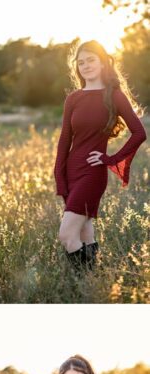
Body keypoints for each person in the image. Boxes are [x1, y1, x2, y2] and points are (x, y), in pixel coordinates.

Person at [54, 40, 146, 272]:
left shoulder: (114, 96)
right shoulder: (73, 98)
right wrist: (59, 176)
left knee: (66, 235)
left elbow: (139, 133)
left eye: (91, 60)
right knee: (85, 232)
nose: (85, 66)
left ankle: (79, 282)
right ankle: (91, 282)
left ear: (104, 62)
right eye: (81, 62)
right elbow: (65, 140)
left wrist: (111, 159)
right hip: (71, 172)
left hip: (92, 173)